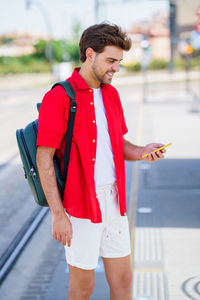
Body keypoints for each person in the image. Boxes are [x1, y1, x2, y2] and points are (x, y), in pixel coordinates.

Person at [36, 23, 166, 300]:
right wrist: (58, 215)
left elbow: (118, 145)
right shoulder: (59, 97)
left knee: (123, 279)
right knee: (83, 288)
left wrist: (144, 150)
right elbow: (44, 157)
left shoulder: (111, 94)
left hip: (114, 202)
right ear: (90, 54)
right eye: (111, 61)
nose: (116, 68)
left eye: (119, 62)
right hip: (80, 205)